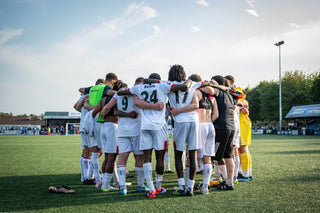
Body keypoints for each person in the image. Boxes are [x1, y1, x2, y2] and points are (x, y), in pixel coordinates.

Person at [117, 74, 189, 198]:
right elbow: (183, 87)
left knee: (146, 158)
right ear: (158, 79)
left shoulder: (139, 88)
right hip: (159, 126)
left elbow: (121, 93)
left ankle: (151, 190)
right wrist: (191, 80)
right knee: (160, 158)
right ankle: (158, 187)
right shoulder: (163, 85)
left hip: (145, 126)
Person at [101, 77, 150, 195]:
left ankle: (123, 187)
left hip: (122, 131)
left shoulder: (118, 94)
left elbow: (107, 108)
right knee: (139, 158)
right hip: (136, 130)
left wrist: (103, 115)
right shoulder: (136, 93)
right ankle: (141, 185)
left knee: (122, 158)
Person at [79, 73, 118, 188]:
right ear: (112, 82)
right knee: (108, 153)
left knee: (95, 152)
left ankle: (96, 179)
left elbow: (80, 89)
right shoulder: (106, 88)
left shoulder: (93, 88)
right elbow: (111, 93)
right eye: (114, 84)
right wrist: (121, 92)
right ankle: (106, 181)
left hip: (91, 120)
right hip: (101, 121)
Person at [189, 74, 219, 195]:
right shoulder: (212, 96)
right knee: (208, 158)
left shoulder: (196, 92)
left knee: (191, 157)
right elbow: (216, 115)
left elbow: (193, 108)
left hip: (199, 125)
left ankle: (188, 185)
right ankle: (205, 187)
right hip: (210, 126)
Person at [237, 87, 253, 182]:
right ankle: (248, 173)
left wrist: (241, 106)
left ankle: (245, 174)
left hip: (243, 125)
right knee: (241, 149)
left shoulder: (242, 101)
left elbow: (246, 112)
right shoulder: (243, 100)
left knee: (243, 149)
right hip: (242, 125)